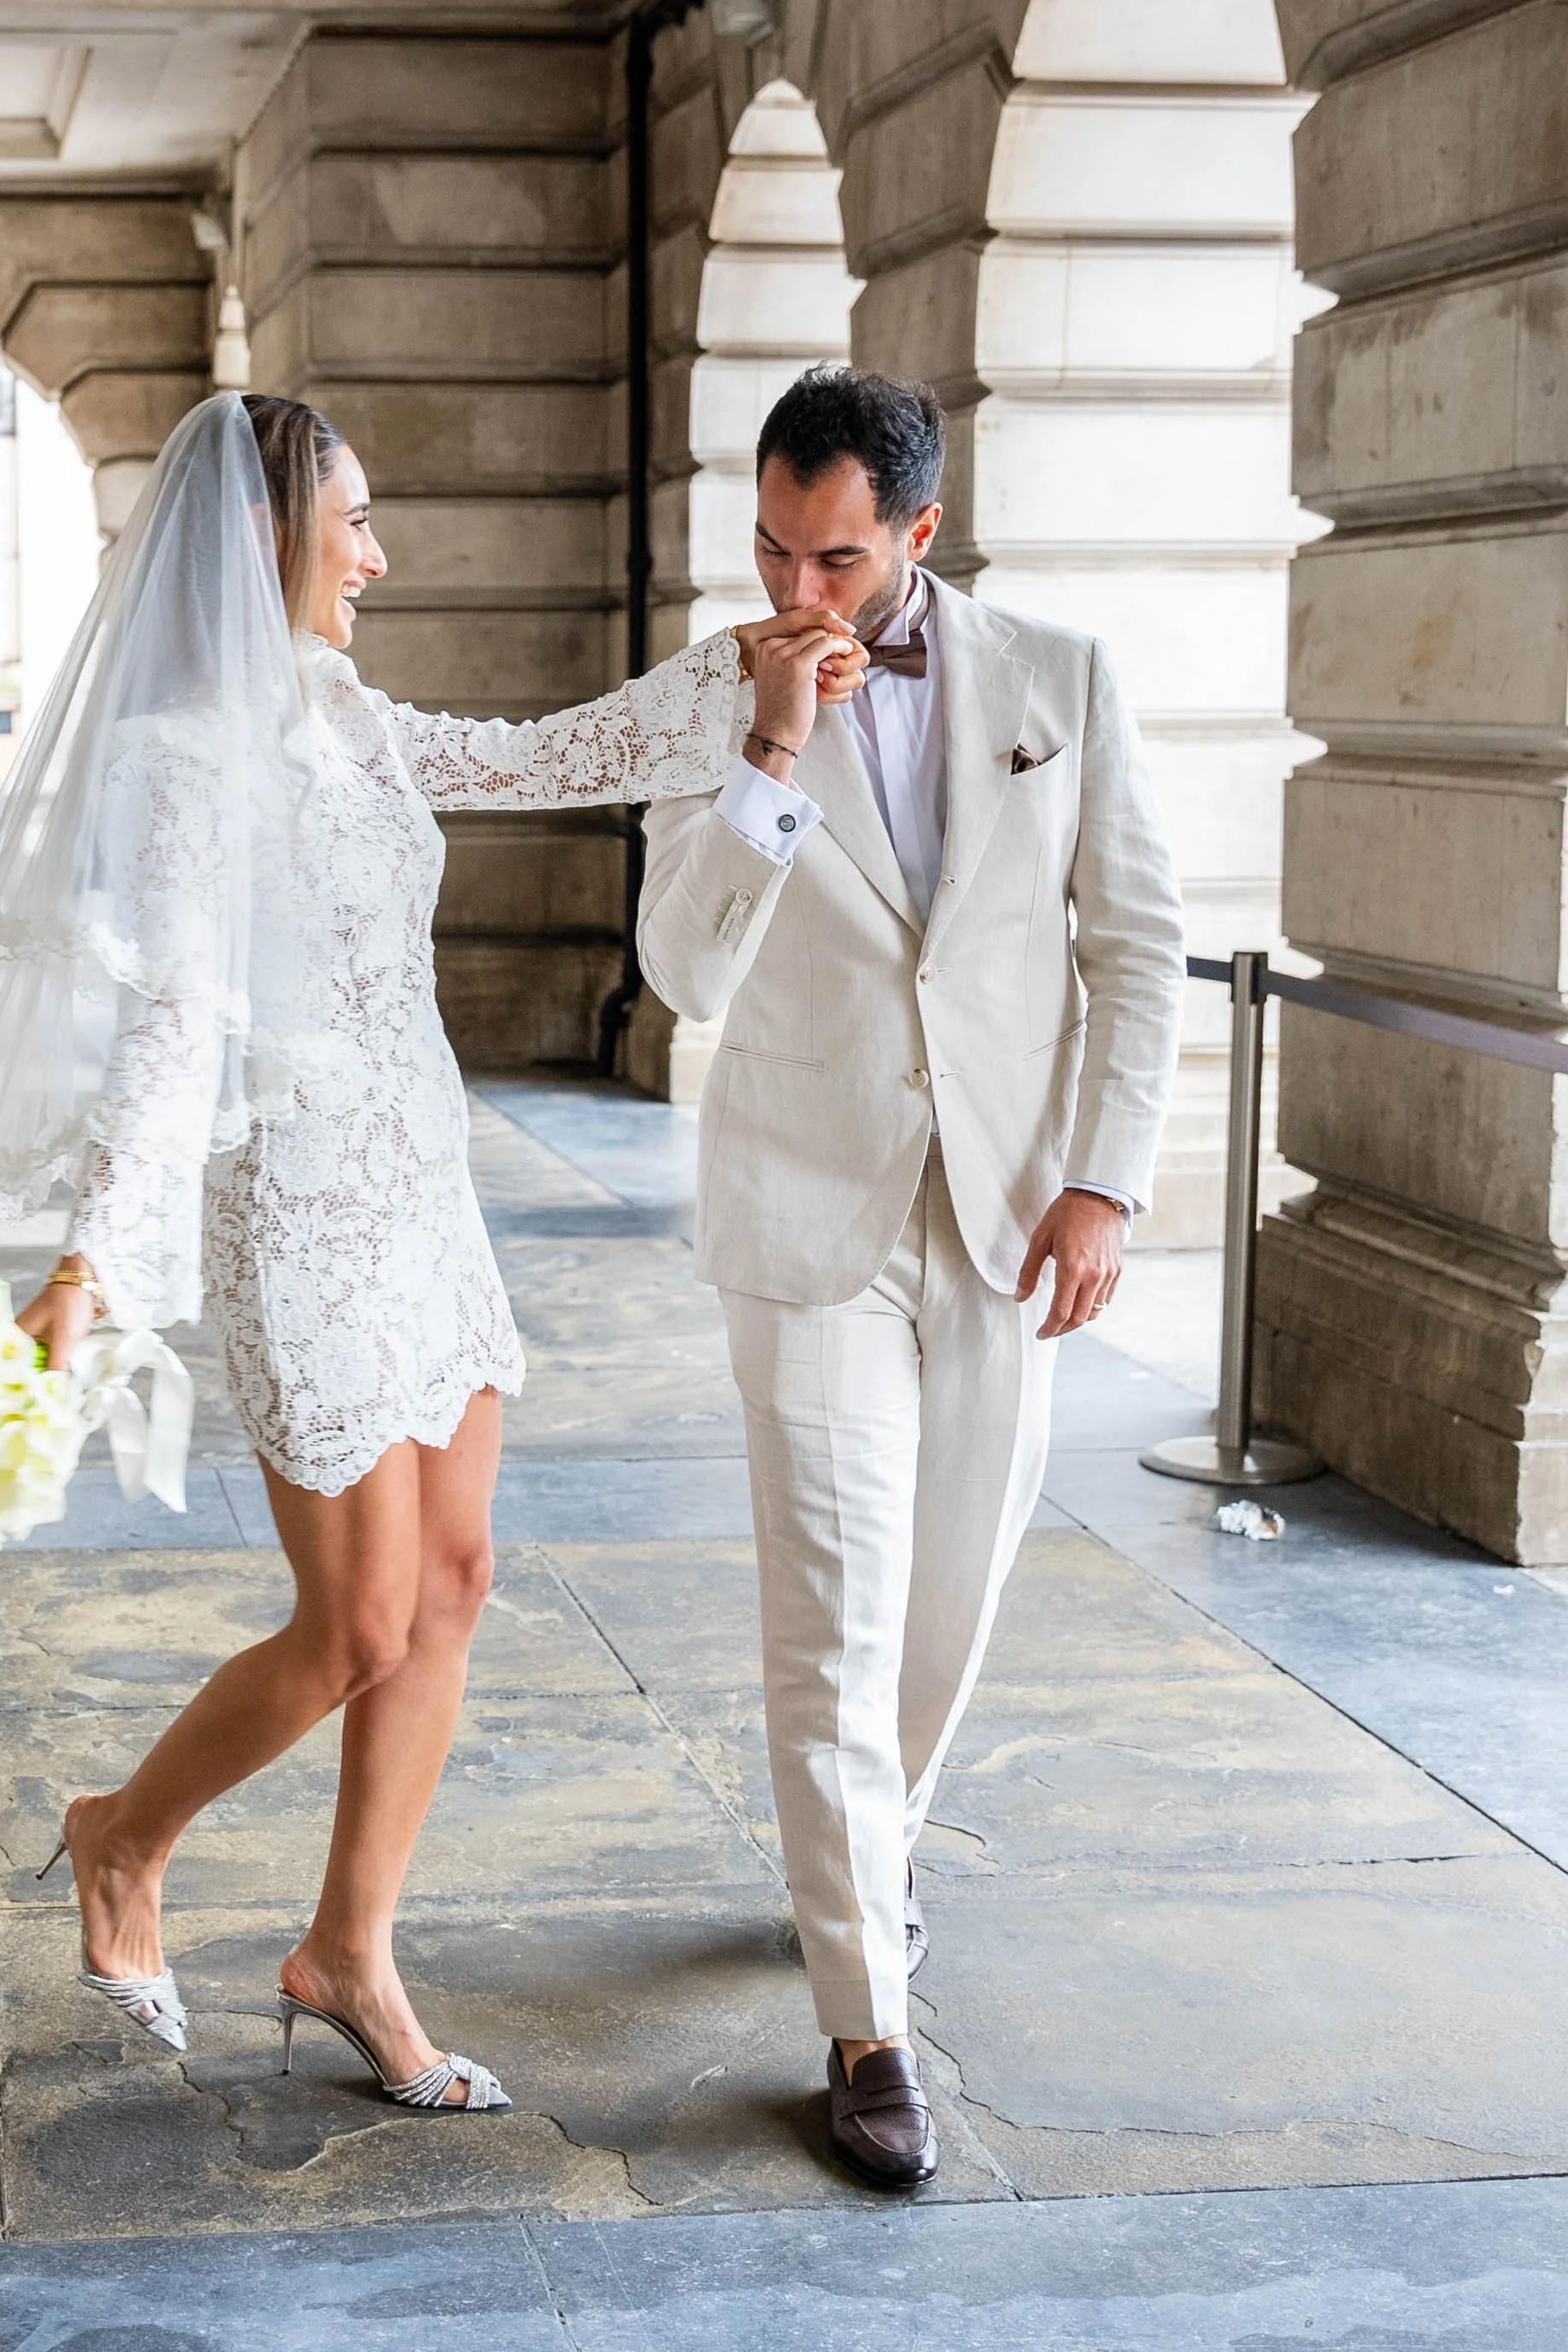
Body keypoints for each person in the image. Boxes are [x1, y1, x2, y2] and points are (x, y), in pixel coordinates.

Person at [0, 388, 859, 2113]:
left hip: (424, 1190)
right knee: (353, 1625)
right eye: (354, 526)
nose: (378, 556)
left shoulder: (340, 707)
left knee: (459, 1585)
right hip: (302, 1217)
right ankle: (121, 1839)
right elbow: (177, 1022)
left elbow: (551, 755)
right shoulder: (183, 756)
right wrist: (94, 1257)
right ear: (268, 539)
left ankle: (349, 1949)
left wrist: (756, 678)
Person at [638, 365, 1184, 2188]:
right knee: (833, 1619)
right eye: (778, 550)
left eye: (842, 557)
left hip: (1012, 1217)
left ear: (922, 533)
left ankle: (864, 1861)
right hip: (810, 1222)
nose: (804, 590)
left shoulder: (1060, 680)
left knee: (946, 1609)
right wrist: (770, 751)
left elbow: (1140, 942)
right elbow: (688, 976)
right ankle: (866, 2017)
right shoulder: (717, 695)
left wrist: (1104, 1181)